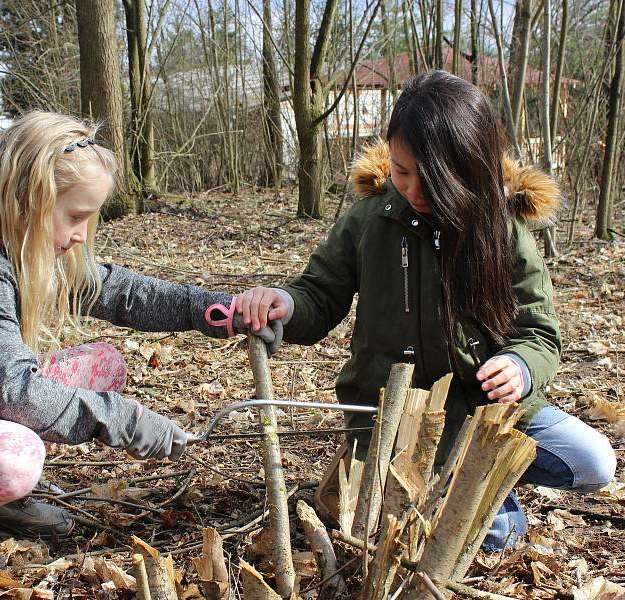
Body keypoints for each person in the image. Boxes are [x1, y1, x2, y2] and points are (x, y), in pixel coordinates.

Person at [0, 111, 279, 580]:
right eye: (75, 216)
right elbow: (13, 392)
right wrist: (124, 419)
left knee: (103, 365)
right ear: (26, 201)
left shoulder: (25, 253)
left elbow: (123, 294)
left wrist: (219, 310)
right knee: (13, 457)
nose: (81, 234)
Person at [234, 71, 616, 549]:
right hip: (392, 419)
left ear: (468, 168)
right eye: (401, 171)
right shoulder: (369, 221)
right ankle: (476, 495)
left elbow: (538, 331)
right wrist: (284, 303)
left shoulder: (501, 227)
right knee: (440, 537)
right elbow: (319, 295)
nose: (412, 189)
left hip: (483, 414)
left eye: (430, 177)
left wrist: (519, 366)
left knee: (593, 462)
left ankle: (487, 480)